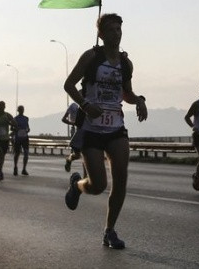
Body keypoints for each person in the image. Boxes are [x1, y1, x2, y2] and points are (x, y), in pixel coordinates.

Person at [63, 13, 147, 250]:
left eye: (119, 29)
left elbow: (126, 93)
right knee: (98, 185)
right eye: (111, 30)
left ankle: (109, 231)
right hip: (92, 130)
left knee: (121, 180)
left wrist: (139, 100)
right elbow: (69, 84)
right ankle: (77, 185)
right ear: (101, 34)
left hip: (116, 129)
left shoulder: (126, 63)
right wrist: (86, 105)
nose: (116, 33)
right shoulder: (91, 57)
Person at [62, 101, 82, 172]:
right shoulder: (73, 106)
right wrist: (73, 123)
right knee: (78, 155)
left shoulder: (90, 105)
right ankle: (69, 159)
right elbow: (63, 119)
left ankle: (86, 178)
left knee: (87, 155)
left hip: (87, 131)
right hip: (77, 131)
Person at [11, 105, 30, 176]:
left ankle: (24, 169)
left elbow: (28, 127)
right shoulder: (15, 119)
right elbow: (11, 129)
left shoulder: (26, 118)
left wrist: (27, 130)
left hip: (25, 138)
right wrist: (16, 129)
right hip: (18, 138)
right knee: (17, 154)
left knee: (26, 153)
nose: (22, 110)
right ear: (18, 110)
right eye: (20, 109)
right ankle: (15, 167)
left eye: (23, 109)